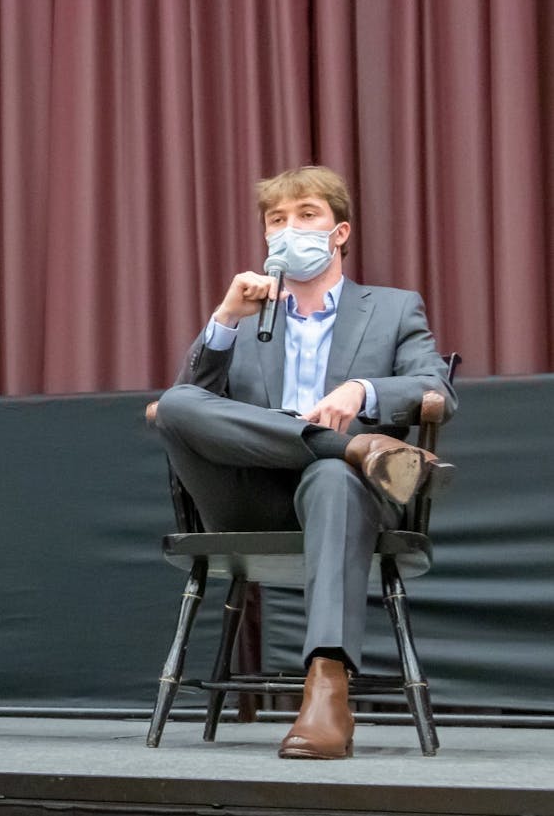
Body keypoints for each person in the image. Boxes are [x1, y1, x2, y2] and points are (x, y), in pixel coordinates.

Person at [153, 165, 456, 759]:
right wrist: (223, 321)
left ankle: (325, 693)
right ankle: (354, 447)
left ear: (339, 232)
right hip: (250, 498)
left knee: (333, 479)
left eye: (306, 215)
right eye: (277, 220)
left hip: (346, 502)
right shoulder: (243, 317)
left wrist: (363, 392)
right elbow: (185, 406)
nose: (290, 229)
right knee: (176, 403)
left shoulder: (393, 308)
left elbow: (436, 389)